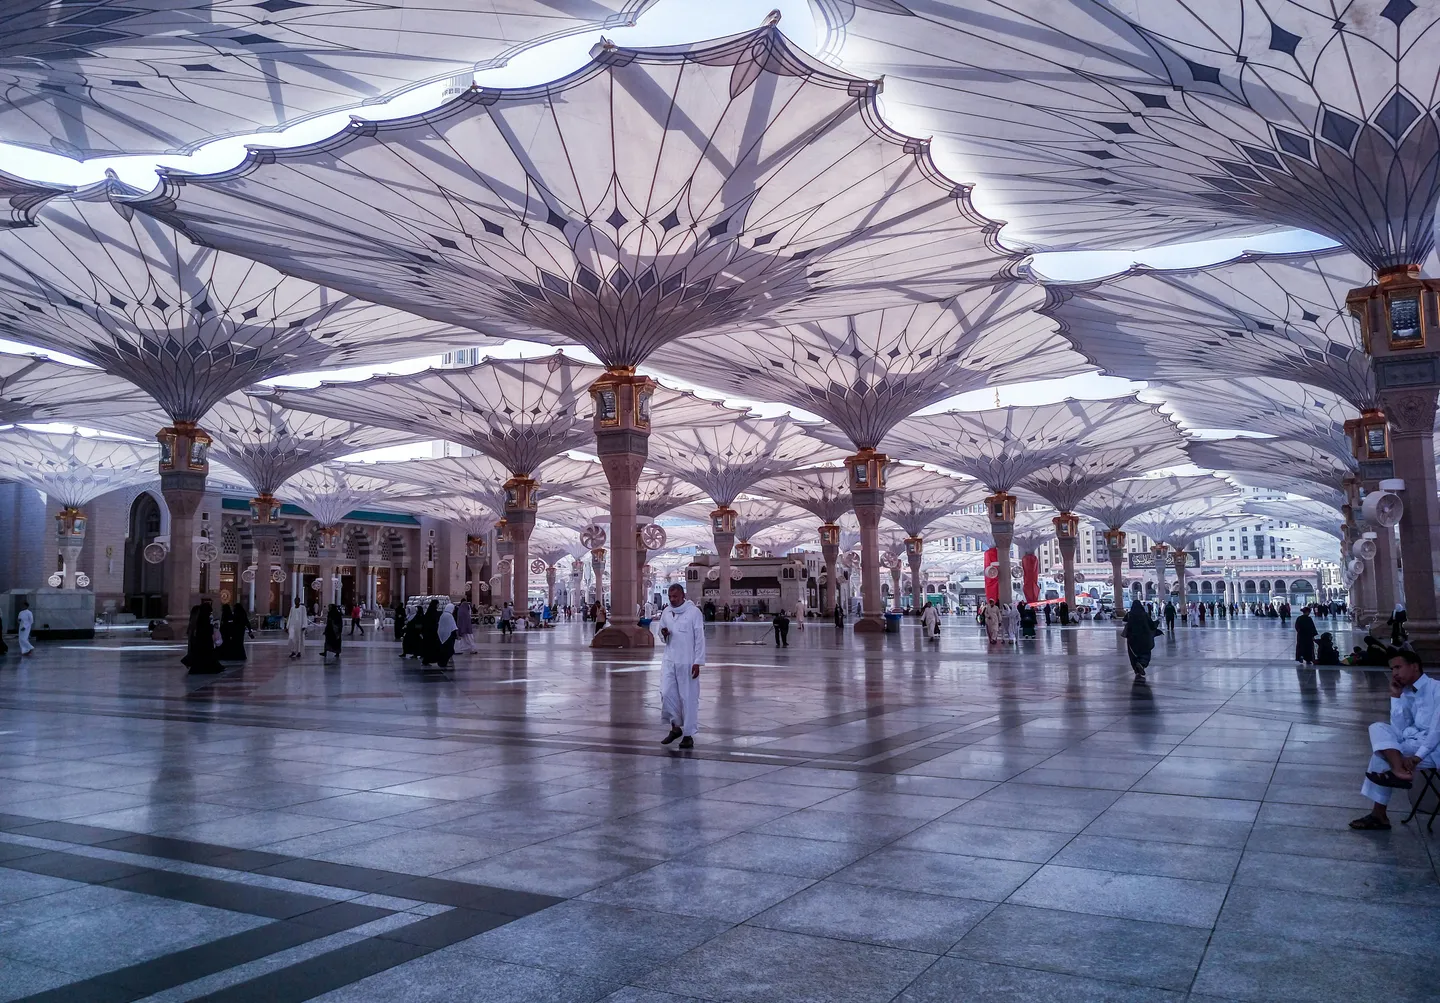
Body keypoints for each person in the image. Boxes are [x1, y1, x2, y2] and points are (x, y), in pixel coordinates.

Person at [1350, 649, 1439, 831]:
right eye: (1392, 669)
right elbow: (1398, 729)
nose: (1395, 673)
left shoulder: (1437, 690)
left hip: (1433, 749)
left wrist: (1417, 758)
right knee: (1377, 727)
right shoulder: (1406, 692)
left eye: (1398, 667)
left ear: (1414, 667)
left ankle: (1379, 814)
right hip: (1411, 742)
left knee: (1380, 755)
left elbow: (1436, 733)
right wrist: (1396, 696)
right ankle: (1399, 771)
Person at [658, 584, 705, 749]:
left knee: (688, 697)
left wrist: (698, 661)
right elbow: (660, 632)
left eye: (675, 597)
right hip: (670, 660)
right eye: (670, 597)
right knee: (667, 692)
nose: (672, 599)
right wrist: (663, 634)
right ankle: (675, 727)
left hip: (688, 661)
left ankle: (688, 735)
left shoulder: (694, 613)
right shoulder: (666, 612)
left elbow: (699, 638)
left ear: (682, 596)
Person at [181, 599, 222, 674]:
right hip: (204, 640)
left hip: (201, 640)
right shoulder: (203, 618)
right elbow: (205, 629)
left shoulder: (200, 617)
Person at [1123, 599, 1157, 680]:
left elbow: (1124, 620)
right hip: (1144, 637)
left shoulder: (1129, 614)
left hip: (1132, 638)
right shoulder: (1145, 614)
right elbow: (1151, 625)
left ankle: (1136, 669)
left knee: (1133, 654)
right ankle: (1142, 664)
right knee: (1146, 652)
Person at [433, 603, 459, 668]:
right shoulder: (449, 616)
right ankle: (443, 663)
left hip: (441, 634)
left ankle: (441, 662)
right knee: (449, 650)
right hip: (449, 635)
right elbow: (454, 627)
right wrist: (457, 635)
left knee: (443, 649)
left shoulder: (443, 615)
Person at [419, 599, 441, 664]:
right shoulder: (434, 613)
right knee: (431, 647)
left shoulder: (429, 612)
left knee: (428, 647)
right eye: (437, 604)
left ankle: (427, 660)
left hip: (428, 633)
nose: (438, 605)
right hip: (432, 633)